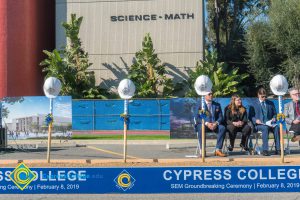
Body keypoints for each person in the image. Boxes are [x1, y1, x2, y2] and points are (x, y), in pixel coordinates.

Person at [249, 87, 280, 156]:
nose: (264, 98)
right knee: (265, 128)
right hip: (259, 124)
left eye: (265, 96)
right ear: (258, 95)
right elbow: (250, 116)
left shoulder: (270, 103)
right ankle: (265, 150)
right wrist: (256, 120)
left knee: (277, 128)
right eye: (262, 96)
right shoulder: (253, 104)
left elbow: (275, 114)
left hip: (270, 123)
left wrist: (274, 118)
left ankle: (278, 149)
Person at [195, 91, 227, 157]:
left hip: (215, 125)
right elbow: (197, 118)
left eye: (212, 94)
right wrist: (207, 123)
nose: (211, 95)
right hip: (204, 125)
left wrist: (216, 123)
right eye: (209, 94)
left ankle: (218, 150)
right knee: (201, 127)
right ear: (205, 96)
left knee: (222, 128)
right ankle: (203, 150)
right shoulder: (201, 105)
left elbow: (221, 117)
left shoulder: (217, 105)